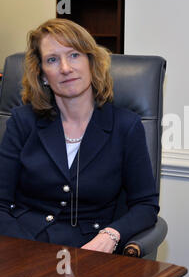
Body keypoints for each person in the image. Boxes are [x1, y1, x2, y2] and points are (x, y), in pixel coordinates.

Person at [0, 18, 159, 254]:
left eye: (74, 55)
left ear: (91, 62)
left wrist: (111, 235)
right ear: (43, 74)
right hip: (24, 244)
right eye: (52, 60)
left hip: (89, 251)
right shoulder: (23, 121)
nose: (65, 68)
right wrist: (24, 251)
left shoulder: (126, 126)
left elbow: (145, 205)